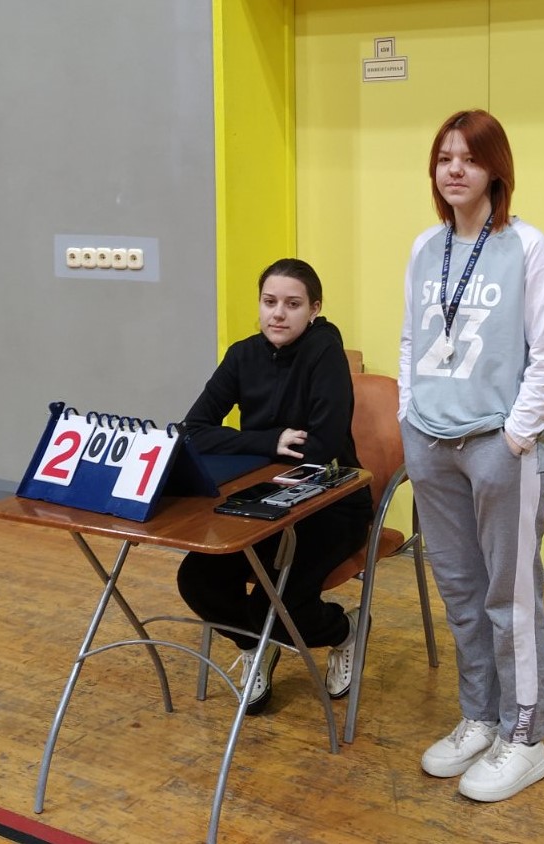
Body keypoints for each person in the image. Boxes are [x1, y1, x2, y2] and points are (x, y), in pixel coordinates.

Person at [398, 110, 544, 802]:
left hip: (499, 446)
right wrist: (410, 413)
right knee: (461, 593)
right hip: (430, 442)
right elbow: (410, 340)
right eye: (444, 158)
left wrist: (516, 436)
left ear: (496, 168)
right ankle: (480, 716)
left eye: (469, 157)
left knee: (511, 598)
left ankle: (525, 737)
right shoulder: (424, 247)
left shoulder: (528, 247)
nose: (455, 169)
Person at [176, 257, 373, 714]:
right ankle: (255, 646)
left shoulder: (324, 353)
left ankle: (344, 630)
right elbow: (193, 430)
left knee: (278, 608)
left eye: (292, 304)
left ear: (315, 309)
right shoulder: (243, 355)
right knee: (197, 580)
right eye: (269, 302)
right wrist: (271, 441)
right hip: (260, 503)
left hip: (333, 504)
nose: (278, 314)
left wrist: (255, 447)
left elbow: (321, 448)